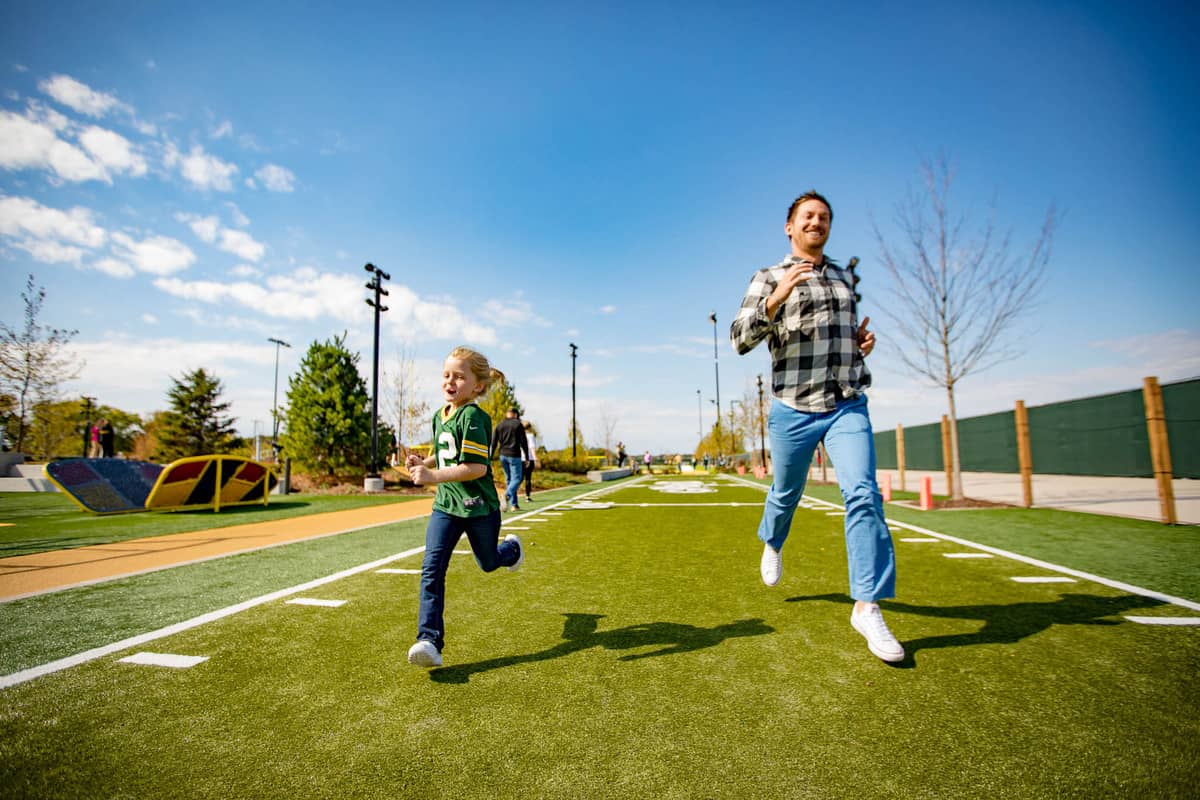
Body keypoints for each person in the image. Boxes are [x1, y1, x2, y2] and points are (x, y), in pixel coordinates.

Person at [730, 189, 903, 663]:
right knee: (786, 492)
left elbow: (843, 333)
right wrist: (777, 298)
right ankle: (773, 539)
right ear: (790, 226)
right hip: (793, 406)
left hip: (846, 402)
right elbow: (739, 338)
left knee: (864, 493)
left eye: (824, 217)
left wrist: (861, 341)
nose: (816, 222)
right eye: (807, 216)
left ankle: (867, 605)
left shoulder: (845, 277)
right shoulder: (767, 277)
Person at [405, 347, 523, 668]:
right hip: (446, 506)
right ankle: (429, 640)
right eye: (446, 375)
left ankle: (510, 550)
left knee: (488, 563)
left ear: (477, 386)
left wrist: (430, 476)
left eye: (459, 376)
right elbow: (444, 452)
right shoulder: (439, 414)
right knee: (432, 568)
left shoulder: (473, 417)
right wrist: (422, 462)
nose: (450, 381)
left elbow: (474, 467)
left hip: (478, 508)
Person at [492, 408, 530, 511]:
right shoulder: (517, 424)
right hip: (514, 455)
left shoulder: (500, 425)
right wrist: (526, 456)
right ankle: (507, 495)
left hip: (503, 455)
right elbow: (524, 441)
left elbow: (494, 442)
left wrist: (490, 456)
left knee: (509, 480)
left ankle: (514, 504)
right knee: (517, 479)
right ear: (515, 414)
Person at [521, 420, 540, 503]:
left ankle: (510, 495)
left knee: (518, 478)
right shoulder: (530, 436)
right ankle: (527, 496)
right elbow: (532, 448)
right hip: (529, 458)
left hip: (520, 458)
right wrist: (536, 459)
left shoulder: (519, 436)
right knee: (528, 478)